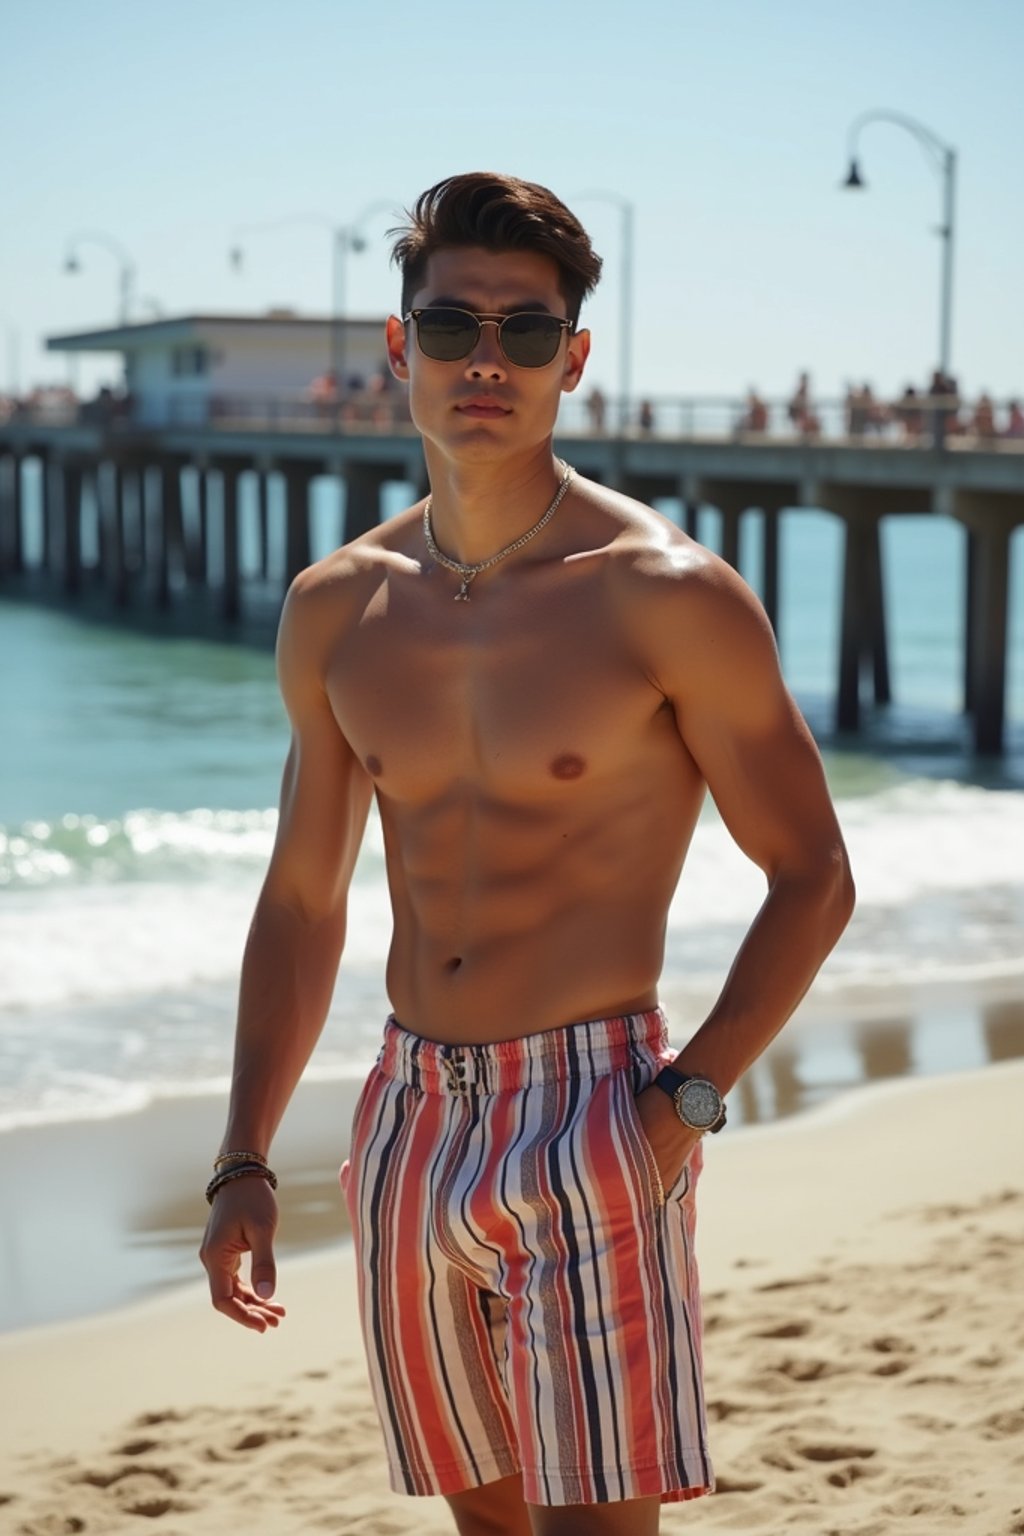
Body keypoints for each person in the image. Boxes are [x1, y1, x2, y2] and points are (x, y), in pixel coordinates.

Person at [200, 171, 855, 1536]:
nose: (485, 361)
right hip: (403, 1122)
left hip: (597, 1108)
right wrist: (242, 1156)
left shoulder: (664, 594)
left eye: (526, 332)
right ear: (399, 349)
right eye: (451, 328)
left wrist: (688, 1105)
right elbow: (305, 898)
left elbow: (813, 873)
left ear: (577, 361)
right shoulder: (337, 608)